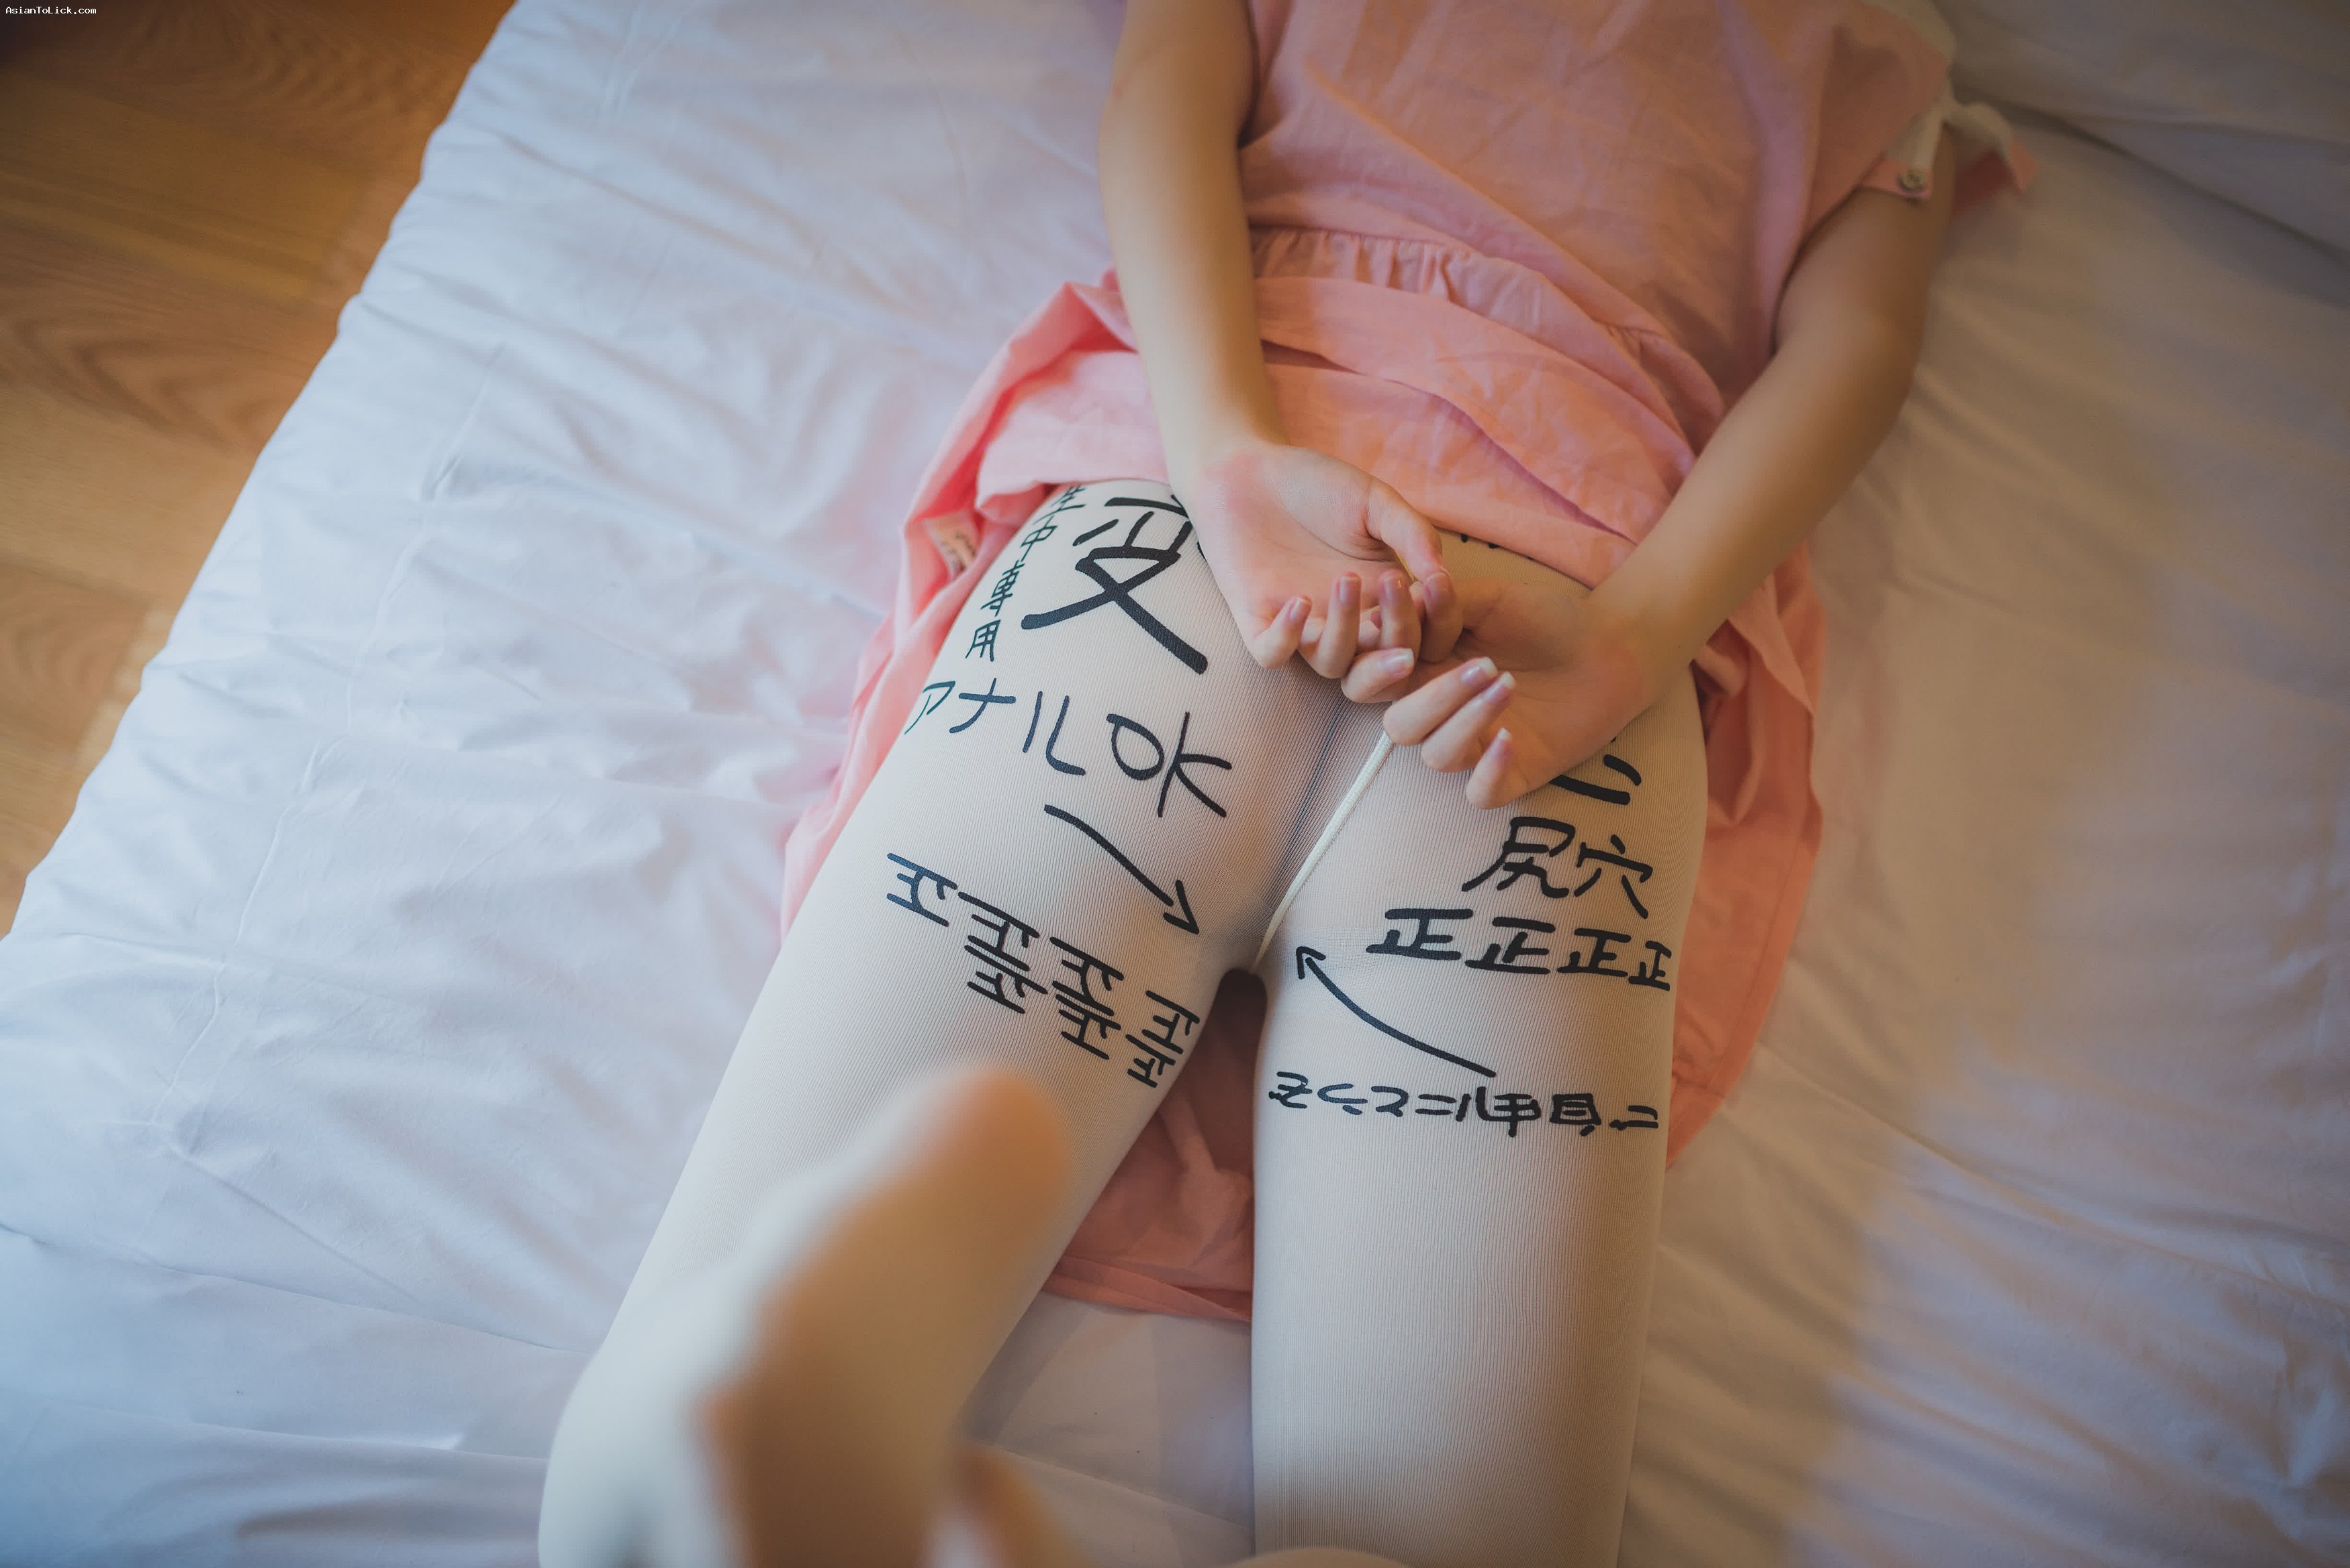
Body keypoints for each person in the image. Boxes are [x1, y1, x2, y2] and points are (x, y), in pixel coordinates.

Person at [541, 0, 2028, 1562]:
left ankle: (740, 1456)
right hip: (1544, 674)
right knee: (1431, 1547)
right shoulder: (1876, 46)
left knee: (703, 1431)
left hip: (1177, 553)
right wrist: (1632, 642)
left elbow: (1160, 101)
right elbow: (1857, 353)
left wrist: (1232, 464)